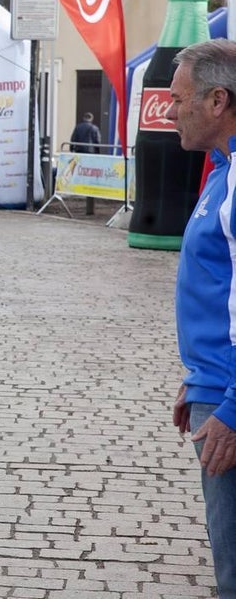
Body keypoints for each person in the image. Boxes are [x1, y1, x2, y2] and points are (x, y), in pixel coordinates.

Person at [166, 39, 236, 598]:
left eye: (178, 98)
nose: (169, 111)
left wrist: (232, 406)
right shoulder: (220, 166)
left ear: (218, 101)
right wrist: (200, 378)